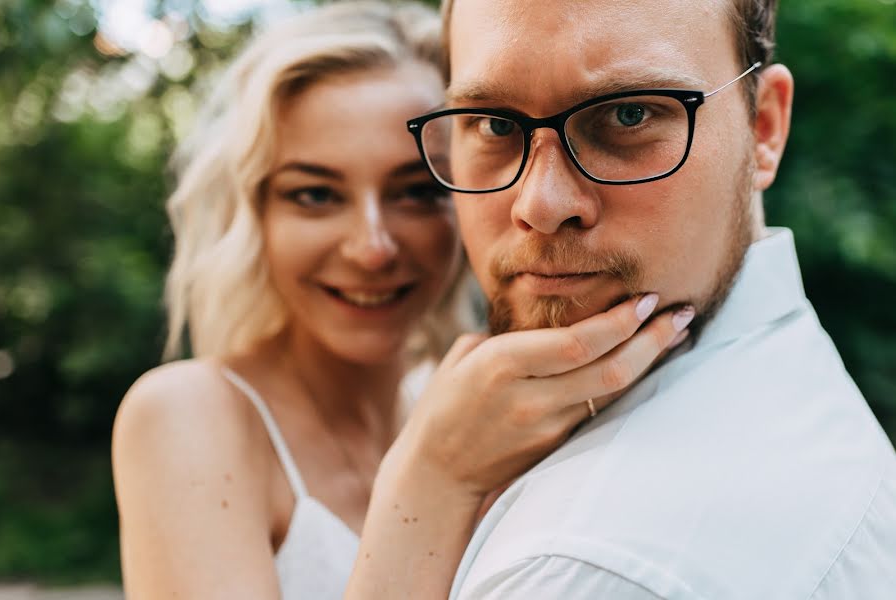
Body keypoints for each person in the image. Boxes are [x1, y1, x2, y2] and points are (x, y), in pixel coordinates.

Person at [112, 2, 689, 598]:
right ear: (252, 213)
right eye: (314, 195)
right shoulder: (187, 415)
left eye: (415, 192)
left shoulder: (473, 410)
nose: (372, 248)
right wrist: (434, 480)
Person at [361, 0, 896, 598]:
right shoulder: (796, 385)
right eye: (496, 124)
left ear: (763, 126)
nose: (539, 205)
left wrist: (425, 487)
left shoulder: (584, 567)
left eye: (628, 115)